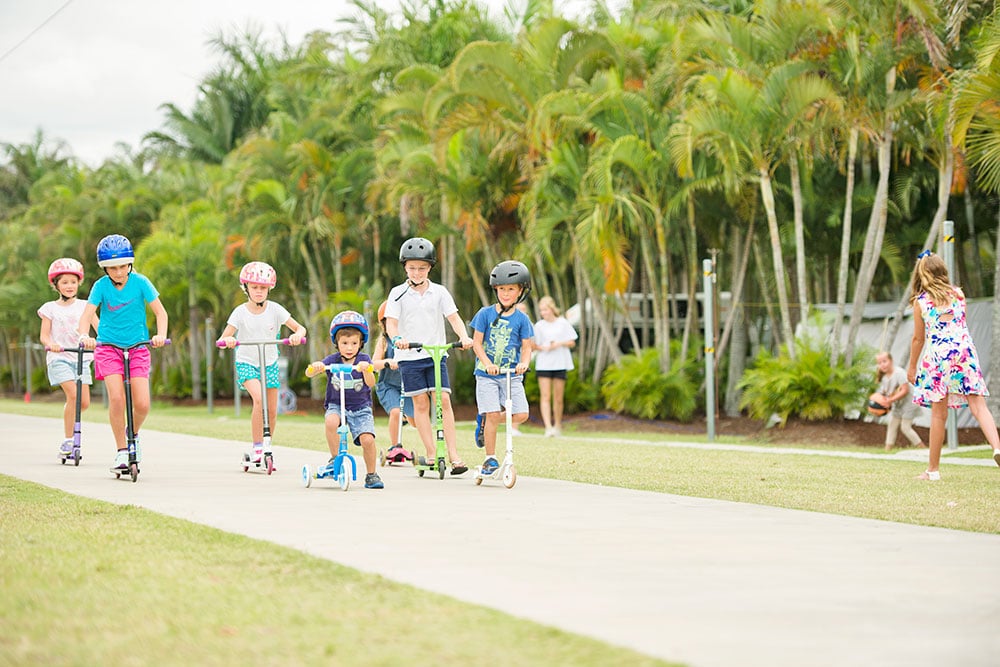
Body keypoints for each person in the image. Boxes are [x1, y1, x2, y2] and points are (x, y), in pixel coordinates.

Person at [906, 250, 1000, 480]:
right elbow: (958, 323)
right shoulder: (959, 294)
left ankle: (933, 471)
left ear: (922, 274)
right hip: (965, 352)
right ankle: (997, 447)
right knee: (979, 406)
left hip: (938, 355)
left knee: (939, 415)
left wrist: (911, 367)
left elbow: (918, 339)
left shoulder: (922, 302)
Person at [77, 234, 168, 472]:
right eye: (112, 268)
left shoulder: (141, 282)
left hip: (138, 347)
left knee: (143, 404)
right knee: (117, 398)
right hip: (108, 348)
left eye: (122, 266)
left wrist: (160, 334)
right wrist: (84, 336)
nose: (118, 272)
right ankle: (120, 452)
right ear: (105, 269)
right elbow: (86, 316)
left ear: (130, 263)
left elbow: (160, 313)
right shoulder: (101, 286)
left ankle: (132, 433)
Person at [384, 237, 473, 475]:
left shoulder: (439, 292)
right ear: (405, 267)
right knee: (421, 404)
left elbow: (453, 318)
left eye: (422, 267)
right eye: (412, 267)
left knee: (443, 400)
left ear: (430, 267)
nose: (417, 272)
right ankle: (432, 452)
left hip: (435, 355)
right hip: (409, 356)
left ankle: (454, 455)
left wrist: (464, 337)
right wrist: (396, 340)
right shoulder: (397, 293)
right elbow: (391, 324)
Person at [217, 261, 306, 464]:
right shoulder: (240, 312)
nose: (258, 292)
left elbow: (300, 329)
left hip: (270, 363)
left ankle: (267, 445)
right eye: (255, 287)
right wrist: (228, 341)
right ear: (246, 288)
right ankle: (257, 446)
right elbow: (223, 339)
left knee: (272, 410)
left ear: (269, 289)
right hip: (247, 362)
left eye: (263, 288)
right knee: (259, 400)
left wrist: (296, 335)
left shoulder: (275, 310)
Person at [305, 311, 383, 489]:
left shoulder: (364, 360)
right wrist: (316, 367)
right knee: (331, 421)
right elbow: (309, 373)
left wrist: (366, 370)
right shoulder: (332, 360)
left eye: (354, 343)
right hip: (336, 405)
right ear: (337, 343)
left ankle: (372, 475)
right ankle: (335, 458)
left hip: (360, 407)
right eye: (345, 343)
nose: (349, 347)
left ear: (361, 343)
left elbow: (370, 384)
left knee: (367, 440)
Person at [471, 261, 534, 475]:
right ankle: (490, 458)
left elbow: (527, 346)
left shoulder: (522, 319)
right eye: (502, 289)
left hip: (511, 376)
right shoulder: (485, 314)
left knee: (522, 414)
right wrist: (487, 364)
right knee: (492, 414)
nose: (506, 293)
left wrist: (524, 363)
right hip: (486, 375)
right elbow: (477, 343)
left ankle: (486, 420)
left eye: (511, 289)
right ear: (496, 290)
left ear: (520, 291)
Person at [38, 258, 99, 455]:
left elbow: (99, 328)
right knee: (74, 395)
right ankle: (68, 440)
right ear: (56, 285)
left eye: (73, 282)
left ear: (78, 282)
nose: (69, 286)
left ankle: (70, 432)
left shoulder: (85, 306)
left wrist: (101, 342)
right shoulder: (50, 308)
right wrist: (51, 345)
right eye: (64, 282)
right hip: (60, 358)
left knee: (84, 402)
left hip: (82, 358)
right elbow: (44, 336)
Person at [372, 301, 415, 460]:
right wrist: (388, 362)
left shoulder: (410, 340)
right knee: (396, 411)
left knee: (416, 421)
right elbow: (373, 364)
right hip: (388, 386)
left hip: (407, 386)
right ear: (383, 324)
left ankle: (403, 419)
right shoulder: (383, 341)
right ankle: (395, 446)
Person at [532, 295, 577, 437]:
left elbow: (572, 342)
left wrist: (559, 343)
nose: (543, 313)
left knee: (558, 398)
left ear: (551, 309)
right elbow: (533, 345)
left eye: (545, 309)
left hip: (560, 363)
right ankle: (548, 427)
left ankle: (557, 425)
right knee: (545, 396)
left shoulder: (562, 323)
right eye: (541, 310)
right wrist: (543, 347)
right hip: (544, 364)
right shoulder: (539, 326)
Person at [875, 352, 925, 451]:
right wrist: (880, 401)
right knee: (892, 424)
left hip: (910, 403)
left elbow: (905, 390)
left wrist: (890, 400)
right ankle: (887, 449)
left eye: (884, 361)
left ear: (891, 361)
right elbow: (885, 393)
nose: (882, 365)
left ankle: (922, 448)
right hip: (898, 404)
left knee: (905, 427)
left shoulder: (899, 373)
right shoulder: (884, 378)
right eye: (880, 363)